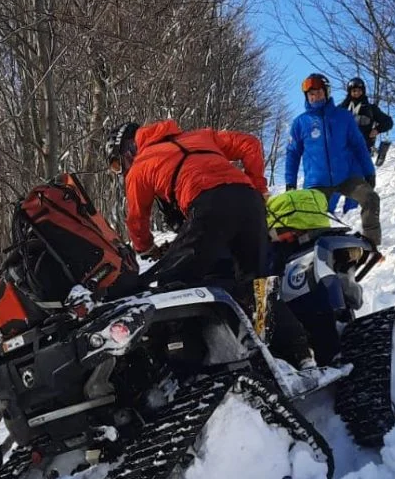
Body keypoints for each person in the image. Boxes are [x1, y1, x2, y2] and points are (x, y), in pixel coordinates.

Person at [105, 119, 315, 369]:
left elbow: (137, 220)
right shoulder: (201, 136)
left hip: (207, 206)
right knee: (256, 285)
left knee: (172, 284)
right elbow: (250, 144)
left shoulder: (141, 165)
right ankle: (296, 352)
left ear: (128, 149)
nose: (123, 170)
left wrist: (146, 248)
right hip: (249, 203)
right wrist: (258, 186)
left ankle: (187, 363)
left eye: (119, 164)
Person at [284, 73, 382, 246]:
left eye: (319, 93)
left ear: (327, 92)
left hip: (345, 177)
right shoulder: (301, 123)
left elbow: (359, 146)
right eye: (311, 94)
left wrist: (369, 171)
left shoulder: (343, 117)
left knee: (370, 198)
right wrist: (290, 183)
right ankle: (310, 253)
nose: (315, 97)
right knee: (308, 219)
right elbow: (292, 154)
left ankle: (372, 244)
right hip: (316, 184)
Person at [339, 77, 394, 153]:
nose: (357, 93)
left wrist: (377, 130)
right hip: (342, 151)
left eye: (359, 90)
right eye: (354, 91)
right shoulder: (341, 109)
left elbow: (388, 122)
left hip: (363, 151)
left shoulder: (371, 109)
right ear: (350, 92)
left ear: (363, 91)